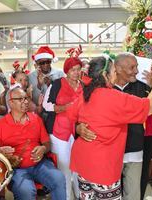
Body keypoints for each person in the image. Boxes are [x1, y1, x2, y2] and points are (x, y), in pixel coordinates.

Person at [66, 56, 152, 199]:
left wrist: (78, 128)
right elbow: (150, 107)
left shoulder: (86, 93)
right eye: (113, 70)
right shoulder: (113, 97)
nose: (115, 74)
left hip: (83, 163)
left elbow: (71, 115)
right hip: (102, 168)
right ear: (104, 75)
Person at [0, 87, 66, 200]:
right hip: (16, 169)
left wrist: (43, 149)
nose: (26, 101)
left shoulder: (36, 119)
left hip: (39, 165)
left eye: (26, 98)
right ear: (11, 103)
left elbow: (47, 143)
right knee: (26, 191)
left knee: (59, 178)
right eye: (21, 99)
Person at [42, 56, 83, 200]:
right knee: (64, 168)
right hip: (60, 132)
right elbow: (46, 105)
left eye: (78, 70)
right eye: (73, 70)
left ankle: (80, 195)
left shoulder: (83, 86)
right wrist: (64, 107)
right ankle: (66, 197)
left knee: (79, 168)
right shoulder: (57, 84)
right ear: (67, 71)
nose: (76, 73)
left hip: (79, 132)